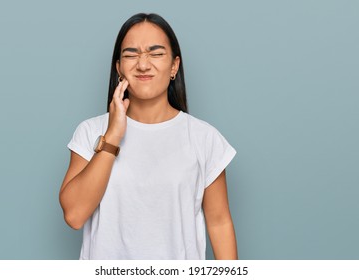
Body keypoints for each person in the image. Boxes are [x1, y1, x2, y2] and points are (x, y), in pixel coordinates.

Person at [59, 13, 238, 260]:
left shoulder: (205, 138)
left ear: (174, 65)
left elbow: (219, 223)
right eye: (131, 55)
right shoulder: (90, 132)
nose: (143, 65)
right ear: (119, 68)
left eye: (155, 54)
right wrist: (112, 136)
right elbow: (74, 215)